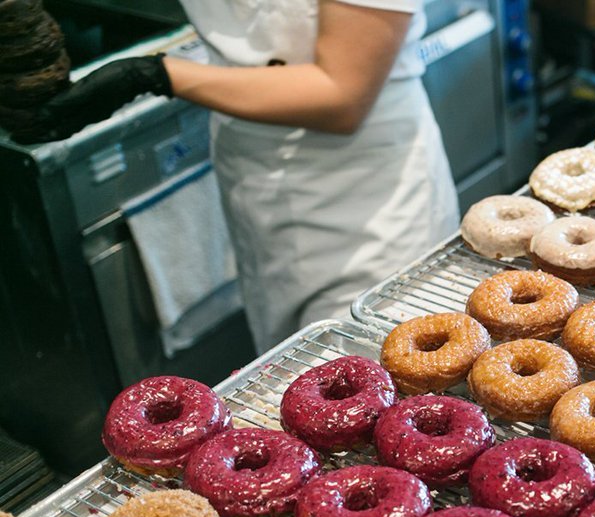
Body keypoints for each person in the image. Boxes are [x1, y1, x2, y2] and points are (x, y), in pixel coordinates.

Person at [18, 0, 459, 352]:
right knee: (289, 371)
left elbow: (342, 95)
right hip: (255, 179)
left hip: (371, 195)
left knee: (370, 382)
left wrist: (152, 75)